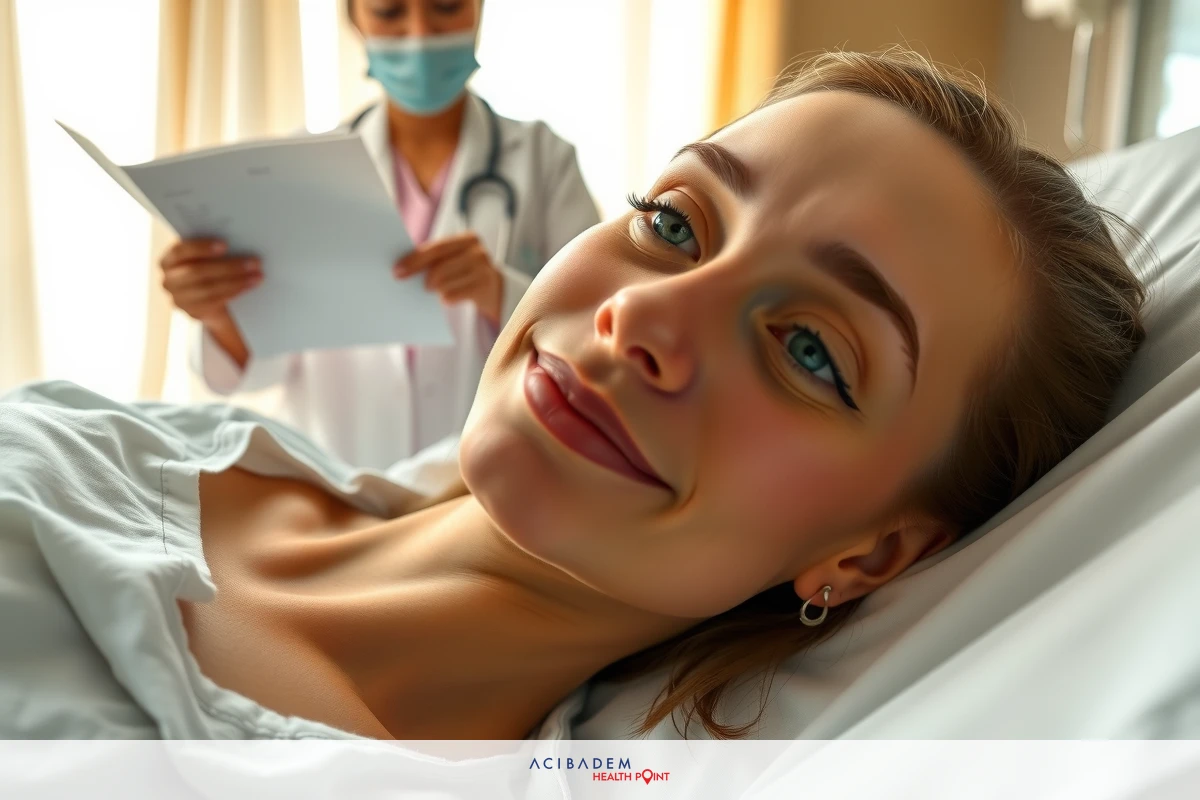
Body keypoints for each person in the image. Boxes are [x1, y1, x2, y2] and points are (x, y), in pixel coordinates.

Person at [0, 49, 1147, 741]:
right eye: (672, 222)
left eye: (810, 351)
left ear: (871, 552)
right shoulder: (114, 439)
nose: (643, 318)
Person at [159, 0, 600, 470]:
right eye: (389, 12)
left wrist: (500, 293)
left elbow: (595, 334)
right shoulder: (301, 172)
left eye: (446, 7)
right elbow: (261, 367)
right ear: (354, 20)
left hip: (489, 485)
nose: (419, 35)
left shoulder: (544, 161)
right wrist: (221, 314)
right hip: (338, 478)